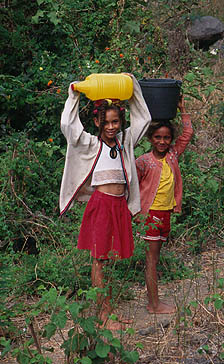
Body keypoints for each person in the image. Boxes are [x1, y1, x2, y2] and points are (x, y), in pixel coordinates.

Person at [59, 74, 151, 329]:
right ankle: (102, 314)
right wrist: (74, 95)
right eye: (106, 122)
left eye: (116, 121)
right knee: (99, 259)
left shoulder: (125, 142)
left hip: (118, 206)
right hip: (101, 205)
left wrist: (133, 89)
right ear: (97, 121)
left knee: (109, 259)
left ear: (121, 122)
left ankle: (109, 310)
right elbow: (69, 127)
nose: (111, 127)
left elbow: (145, 119)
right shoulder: (90, 144)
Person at [136, 96, 193, 314]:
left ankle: (154, 301)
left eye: (167, 137)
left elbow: (187, 134)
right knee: (151, 259)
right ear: (150, 138)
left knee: (155, 257)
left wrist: (182, 110)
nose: (162, 141)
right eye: (158, 137)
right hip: (151, 215)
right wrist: (135, 212)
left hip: (166, 213)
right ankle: (153, 304)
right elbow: (132, 184)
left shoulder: (172, 156)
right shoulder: (143, 161)